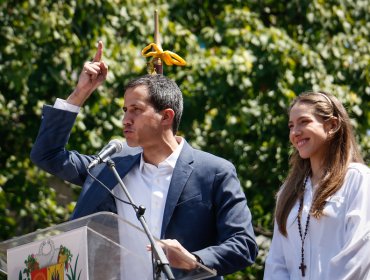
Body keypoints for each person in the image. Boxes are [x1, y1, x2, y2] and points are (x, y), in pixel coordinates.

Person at [30, 41, 258, 279]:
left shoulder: (214, 172)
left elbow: (243, 244)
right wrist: (80, 93)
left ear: (166, 116)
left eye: (136, 110)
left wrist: (194, 260)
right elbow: (47, 155)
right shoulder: (111, 167)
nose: (126, 119)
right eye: (124, 110)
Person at [264, 90, 370, 279]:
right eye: (291, 125)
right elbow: (276, 262)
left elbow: (359, 255)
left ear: (332, 125)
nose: (295, 132)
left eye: (304, 122)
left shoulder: (358, 180)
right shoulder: (287, 192)